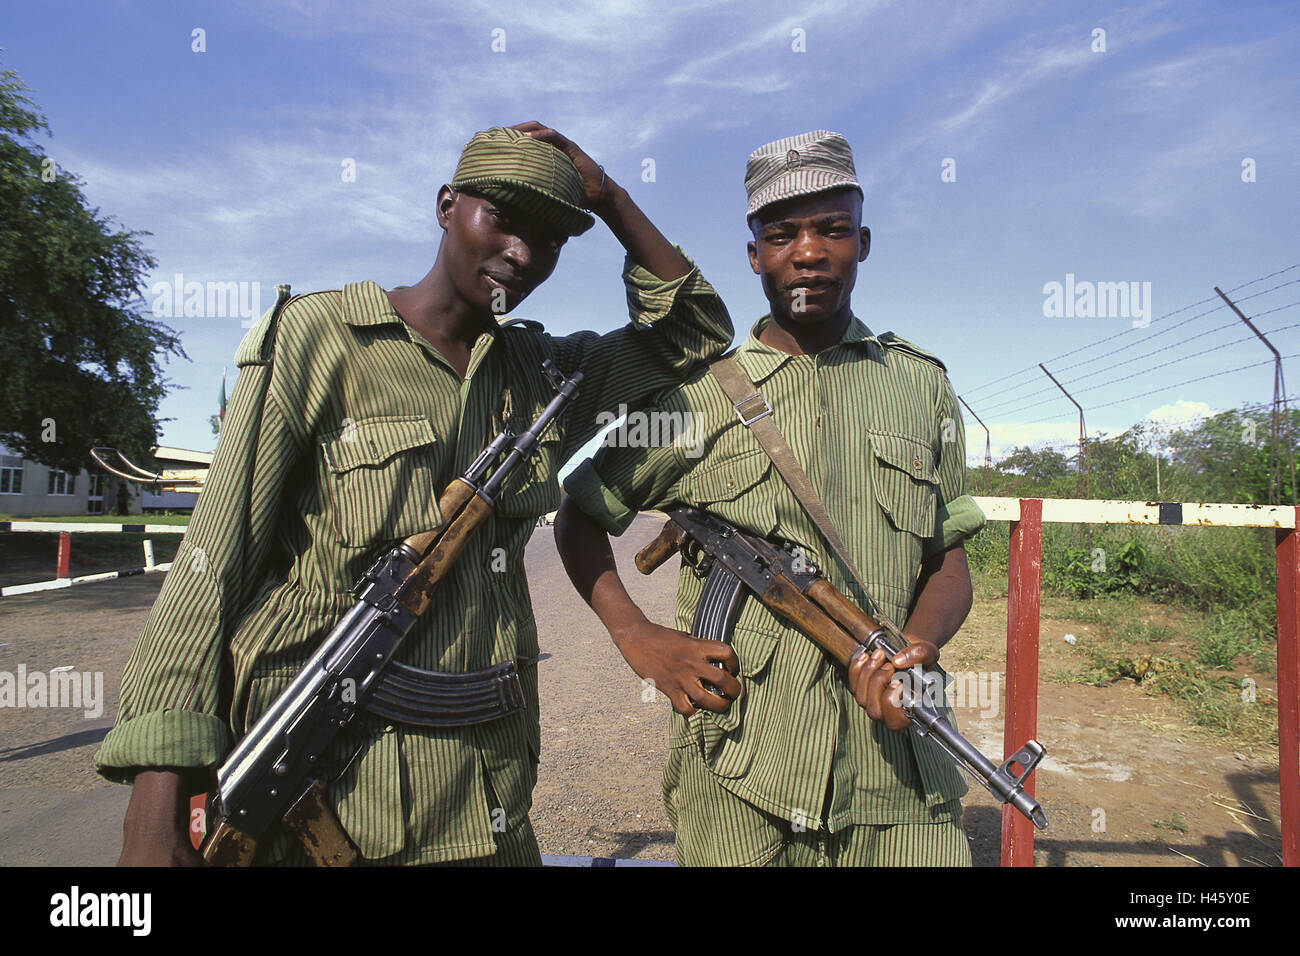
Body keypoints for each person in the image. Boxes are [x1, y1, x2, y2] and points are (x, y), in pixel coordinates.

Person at [96, 123, 734, 866]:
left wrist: (611, 196)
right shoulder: (320, 338)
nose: (522, 254)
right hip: (323, 788)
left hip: (485, 802)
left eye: (550, 239)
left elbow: (693, 330)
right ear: (445, 206)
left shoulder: (544, 375)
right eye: (501, 219)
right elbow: (212, 562)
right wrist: (156, 796)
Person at [555, 130, 986, 866]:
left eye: (832, 230)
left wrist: (921, 648)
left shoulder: (922, 386)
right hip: (739, 768)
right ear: (754, 255)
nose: (809, 253)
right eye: (782, 235)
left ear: (864, 241)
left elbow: (948, 557)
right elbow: (581, 515)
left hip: (899, 770)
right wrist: (637, 637)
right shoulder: (696, 394)